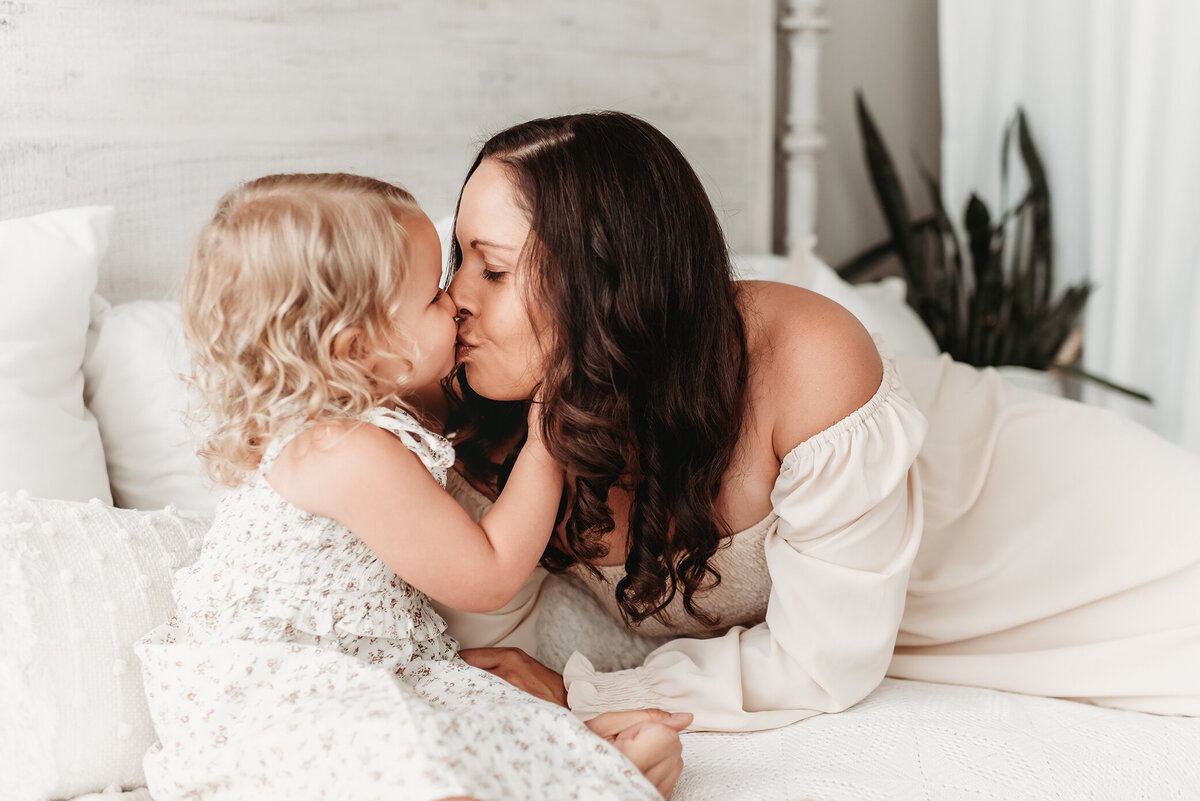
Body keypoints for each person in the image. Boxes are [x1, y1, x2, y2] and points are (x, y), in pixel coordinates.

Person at [442, 111, 1200, 732]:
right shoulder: (490, 425)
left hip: (1076, 532)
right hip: (916, 636)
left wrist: (590, 694)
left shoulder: (805, 357)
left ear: (608, 283)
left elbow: (821, 663)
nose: (455, 299)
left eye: (493, 269)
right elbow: (493, 657)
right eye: (454, 262)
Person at [135, 172, 688, 801]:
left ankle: (583, 771)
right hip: (293, 691)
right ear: (360, 349)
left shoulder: (364, 420)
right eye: (432, 296)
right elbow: (487, 575)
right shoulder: (345, 450)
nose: (456, 301)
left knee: (517, 720)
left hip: (371, 670)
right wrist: (549, 430)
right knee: (404, 748)